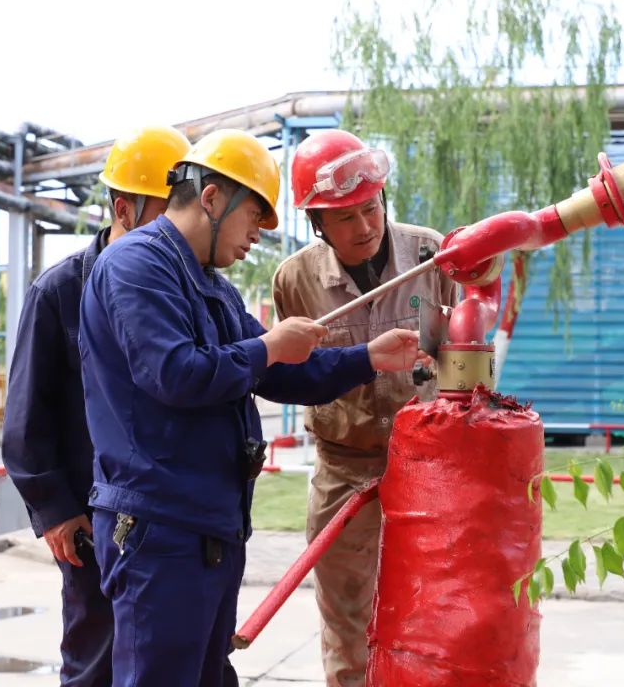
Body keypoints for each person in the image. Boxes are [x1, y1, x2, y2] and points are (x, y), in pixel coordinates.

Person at [78, 128, 420, 687]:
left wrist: (368, 358)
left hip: (206, 527)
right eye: (250, 223)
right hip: (159, 528)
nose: (252, 242)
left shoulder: (210, 286)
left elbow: (282, 373)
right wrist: (267, 345)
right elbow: (174, 373)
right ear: (211, 197)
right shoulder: (137, 266)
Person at [2, 125, 191, 686]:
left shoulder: (183, 289)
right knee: (96, 660)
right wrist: (55, 510)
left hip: (167, 518)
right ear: (122, 207)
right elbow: (25, 421)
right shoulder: (58, 292)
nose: (176, 231)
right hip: (92, 525)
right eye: (164, 213)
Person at [272, 128, 461, 687]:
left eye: (371, 208)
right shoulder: (296, 281)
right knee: (348, 626)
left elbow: (461, 360)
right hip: (343, 471)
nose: (365, 226)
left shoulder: (432, 255)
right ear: (317, 224)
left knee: (431, 619)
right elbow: (291, 377)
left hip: (425, 472)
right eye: (346, 217)